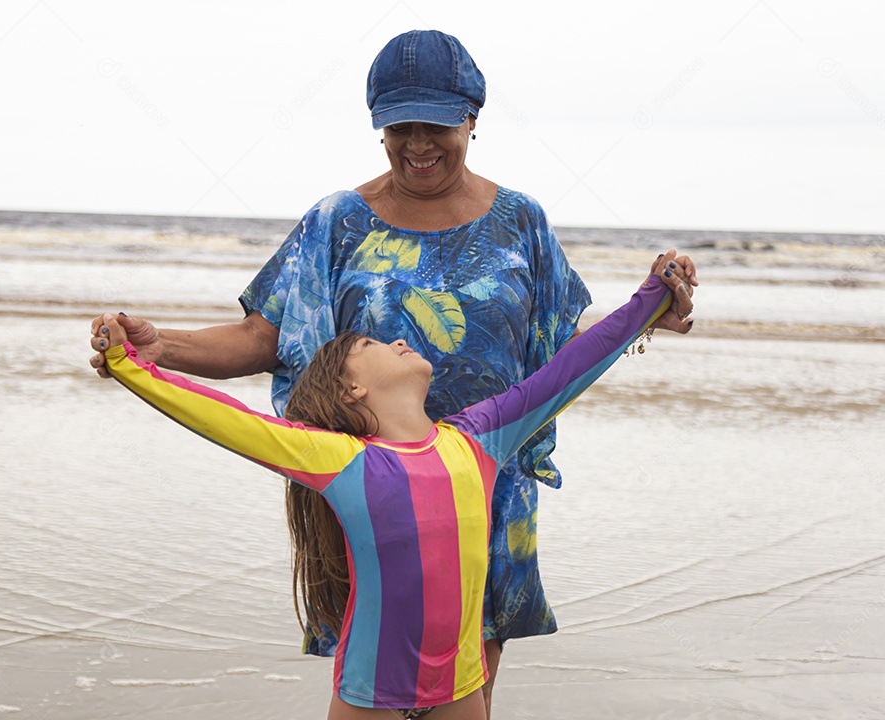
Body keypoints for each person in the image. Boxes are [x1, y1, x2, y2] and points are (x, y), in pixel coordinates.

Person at [88, 29, 697, 714]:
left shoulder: (520, 221)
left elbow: (559, 352)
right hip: (368, 494)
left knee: (469, 682)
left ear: (471, 118)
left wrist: (648, 319)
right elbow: (265, 337)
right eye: (398, 125)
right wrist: (159, 348)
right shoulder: (337, 221)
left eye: (435, 123)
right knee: (376, 674)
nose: (417, 144)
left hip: (485, 482)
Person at [98, 259, 686, 718]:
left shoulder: (479, 440)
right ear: (350, 390)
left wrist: (650, 298)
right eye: (372, 345)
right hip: (370, 690)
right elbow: (224, 418)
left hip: (460, 684)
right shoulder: (340, 460)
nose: (399, 339)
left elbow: (569, 369)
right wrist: (130, 364)